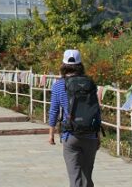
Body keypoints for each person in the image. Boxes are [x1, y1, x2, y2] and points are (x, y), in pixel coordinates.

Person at [48, 49, 102, 187]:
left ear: (63, 64)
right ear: (80, 64)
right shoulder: (89, 83)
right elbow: (96, 110)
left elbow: (54, 110)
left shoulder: (59, 85)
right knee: (87, 177)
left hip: (70, 135)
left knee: (75, 178)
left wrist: (51, 134)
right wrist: (97, 134)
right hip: (90, 135)